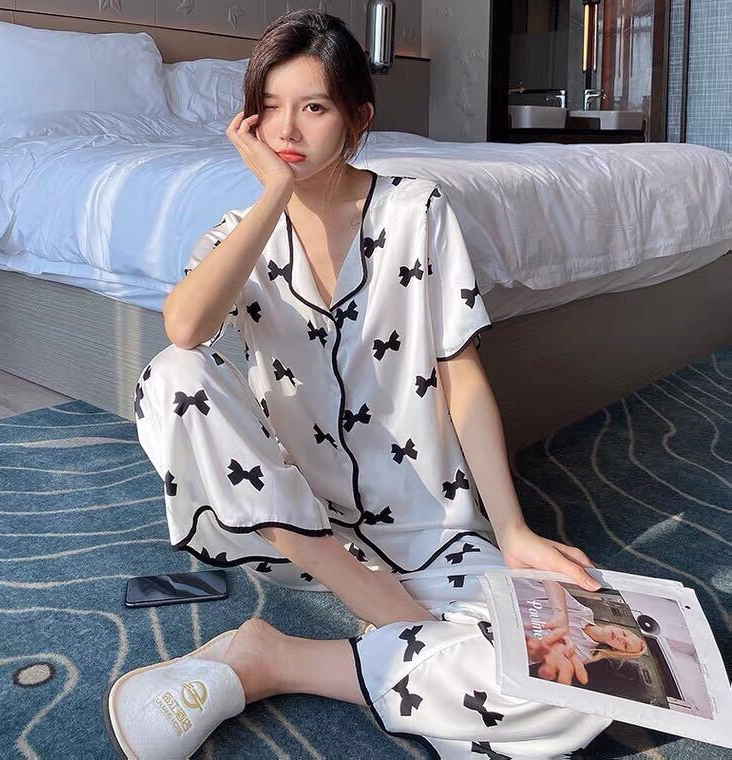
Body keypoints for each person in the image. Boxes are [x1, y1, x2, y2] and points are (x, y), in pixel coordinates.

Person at [107, 9, 614, 759]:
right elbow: (184, 327)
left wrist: (510, 530)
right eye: (269, 107)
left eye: (313, 107)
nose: (288, 129)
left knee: (577, 683)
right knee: (171, 375)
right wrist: (273, 195)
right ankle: (371, 608)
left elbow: (460, 373)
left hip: (427, 528)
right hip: (302, 536)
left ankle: (273, 660)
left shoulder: (416, 210)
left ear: (356, 118)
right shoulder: (242, 233)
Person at [517, 579, 648, 687]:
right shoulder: (584, 613)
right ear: (621, 628)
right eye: (625, 634)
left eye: (625, 645)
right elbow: (550, 580)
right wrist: (560, 613)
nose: (620, 638)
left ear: (616, 650)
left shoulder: (583, 654)